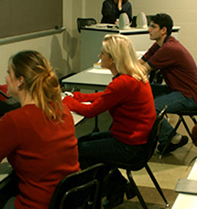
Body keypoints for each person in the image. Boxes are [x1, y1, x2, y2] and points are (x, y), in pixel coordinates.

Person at [0, 51, 80, 209]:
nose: (6, 78)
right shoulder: (62, 110)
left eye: (9, 73)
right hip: (69, 201)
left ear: (20, 81)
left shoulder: (15, 120)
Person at [63, 34, 155, 209]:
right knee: (83, 142)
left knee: (81, 149)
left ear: (113, 59)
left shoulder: (123, 82)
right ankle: (115, 188)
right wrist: (79, 96)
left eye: (102, 53)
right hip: (135, 141)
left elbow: (91, 111)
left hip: (130, 147)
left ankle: (87, 198)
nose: (99, 56)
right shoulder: (132, 77)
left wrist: (68, 102)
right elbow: (107, 97)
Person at [139, 13, 197, 153]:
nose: (149, 29)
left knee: (151, 107)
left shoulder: (168, 48)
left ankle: (173, 138)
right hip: (176, 89)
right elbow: (140, 63)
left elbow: (143, 69)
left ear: (163, 30)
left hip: (187, 96)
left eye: (153, 27)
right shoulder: (159, 45)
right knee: (143, 89)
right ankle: (146, 133)